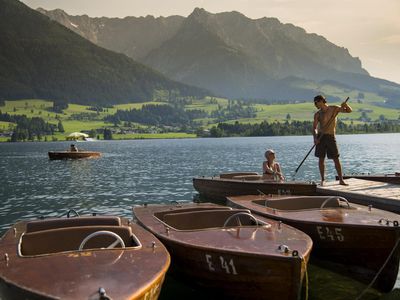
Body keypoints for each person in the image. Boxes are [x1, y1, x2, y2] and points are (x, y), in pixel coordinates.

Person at [312, 95, 352, 186]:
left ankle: (341, 180)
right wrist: (315, 138)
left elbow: (349, 111)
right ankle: (323, 180)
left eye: (316, 102)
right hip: (321, 137)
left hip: (331, 136)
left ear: (322, 101)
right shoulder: (317, 114)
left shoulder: (334, 109)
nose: (315, 105)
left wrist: (346, 105)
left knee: (336, 158)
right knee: (321, 159)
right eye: (314, 103)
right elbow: (314, 128)